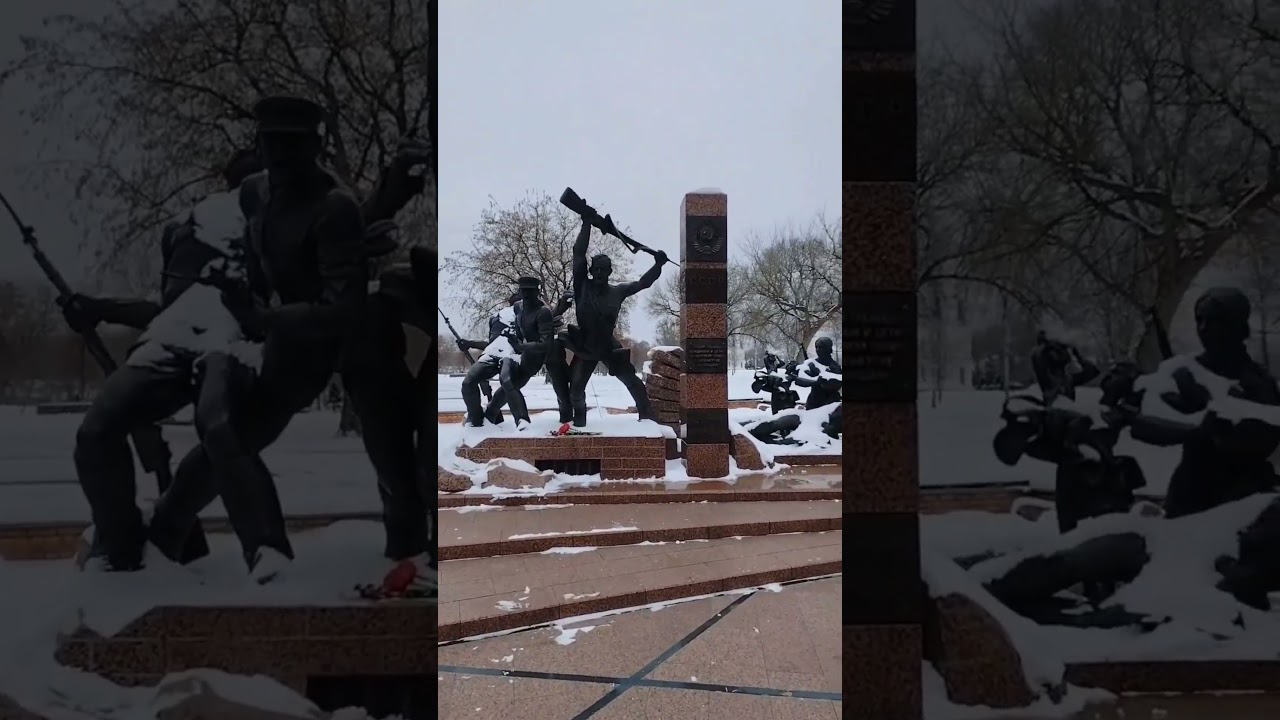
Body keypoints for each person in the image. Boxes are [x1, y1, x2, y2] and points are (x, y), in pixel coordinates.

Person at [550, 212, 666, 426]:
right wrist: (587, 223)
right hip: (585, 344)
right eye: (597, 269)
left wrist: (658, 265)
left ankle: (647, 416)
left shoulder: (618, 291)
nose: (601, 272)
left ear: (611, 271)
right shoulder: (582, 286)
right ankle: (579, 422)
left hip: (607, 345)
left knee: (631, 380)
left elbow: (643, 283)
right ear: (591, 270)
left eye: (605, 270)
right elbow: (578, 253)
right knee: (576, 391)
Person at [456, 291, 524, 427]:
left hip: (512, 355)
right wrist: (470, 343)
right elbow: (491, 343)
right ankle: (476, 420)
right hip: (491, 354)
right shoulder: (495, 318)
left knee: (507, 382)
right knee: (468, 383)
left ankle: (512, 418)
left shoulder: (526, 317)